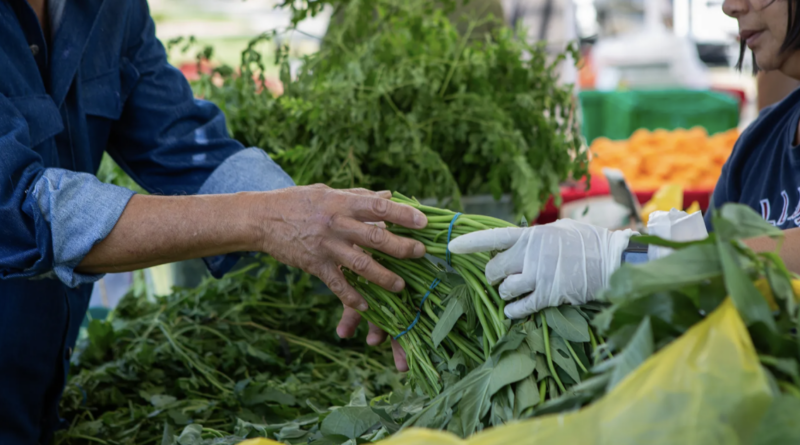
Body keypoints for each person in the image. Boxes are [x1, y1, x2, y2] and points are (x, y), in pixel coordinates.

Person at [0, 1, 428, 442]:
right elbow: (19, 209)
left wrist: (334, 231)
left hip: (39, 395)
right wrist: (266, 220)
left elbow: (181, 142)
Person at [449, 0, 800, 318]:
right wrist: (614, 247)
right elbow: (702, 272)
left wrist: (627, 261)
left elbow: (698, 261)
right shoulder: (758, 147)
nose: (730, 6)